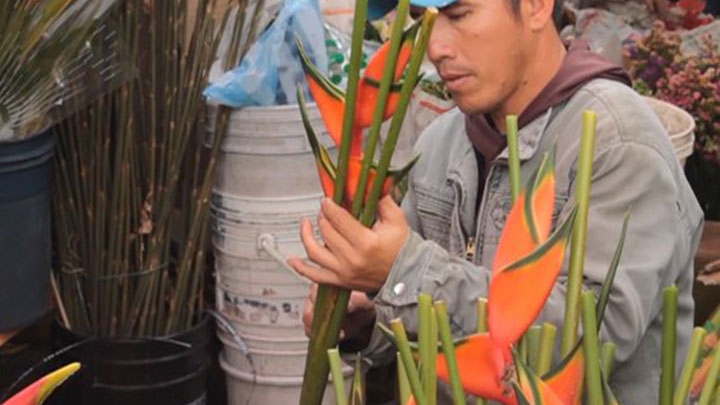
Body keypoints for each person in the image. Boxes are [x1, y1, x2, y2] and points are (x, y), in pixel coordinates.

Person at [288, 0, 704, 403]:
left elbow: (594, 338)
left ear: (537, 7)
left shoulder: (616, 142)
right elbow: (424, 322)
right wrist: (367, 320)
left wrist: (403, 271)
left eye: (459, 14)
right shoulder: (441, 142)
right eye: (422, 19)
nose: (435, 47)